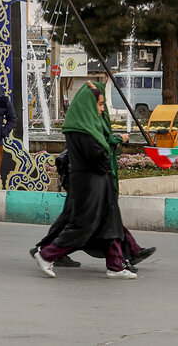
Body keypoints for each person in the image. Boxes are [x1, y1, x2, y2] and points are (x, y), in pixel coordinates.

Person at [33, 82, 138, 279]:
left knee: (111, 224)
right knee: (84, 225)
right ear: (88, 105)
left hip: (98, 182)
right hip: (90, 184)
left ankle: (115, 266)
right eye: (99, 104)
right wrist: (108, 155)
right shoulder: (83, 130)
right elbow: (97, 156)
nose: (101, 109)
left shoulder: (87, 125)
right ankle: (47, 255)